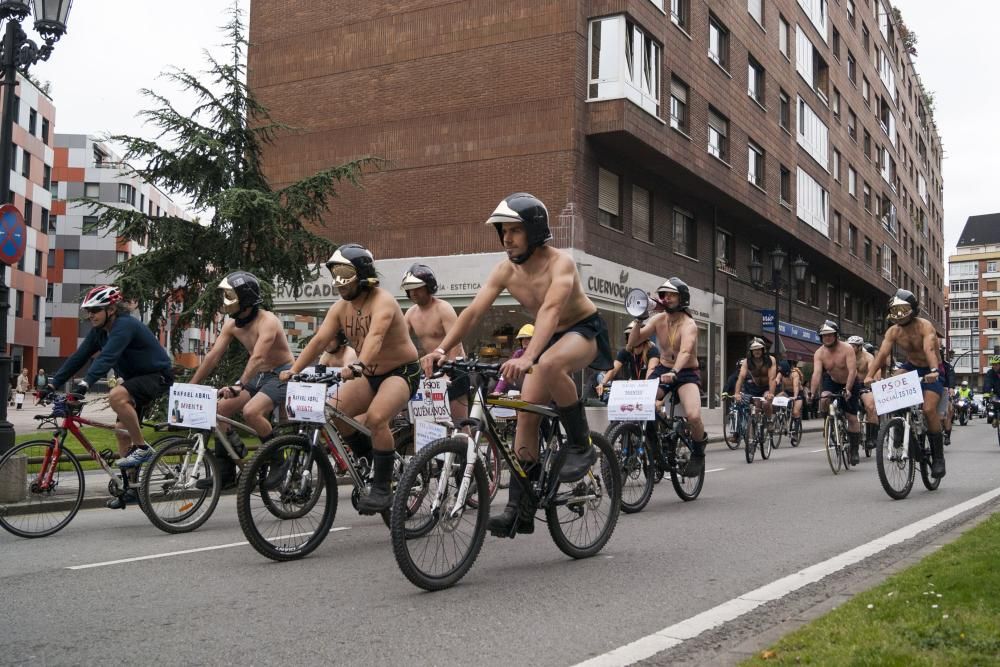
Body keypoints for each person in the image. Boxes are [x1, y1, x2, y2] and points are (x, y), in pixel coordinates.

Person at [420, 192, 613, 537]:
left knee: (551, 364)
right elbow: (474, 312)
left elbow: (552, 312)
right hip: (546, 339)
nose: (506, 239)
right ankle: (519, 510)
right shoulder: (505, 270)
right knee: (526, 413)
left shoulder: (561, 264)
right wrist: (441, 349)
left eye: (514, 230)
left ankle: (581, 444)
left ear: (535, 231)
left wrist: (527, 357)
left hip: (582, 332)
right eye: (503, 231)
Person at [281, 243, 421, 514]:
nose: (338, 282)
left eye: (344, 273)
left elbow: (376, 337)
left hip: (401, 371)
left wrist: (358, 365)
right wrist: (295, 369)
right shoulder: (340, 309)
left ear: (362, 274)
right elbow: (320, 339)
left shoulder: (384, 302)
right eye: (335, 274)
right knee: (333, 411)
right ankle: (369, 457)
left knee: (377, 418)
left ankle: (383, 486)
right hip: (368, 373)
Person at [44, 285, 174, 509]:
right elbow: (78, 357)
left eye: (95, 310)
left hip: (156, 376)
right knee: (122, 434)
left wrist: (85, 384)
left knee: (115, 396)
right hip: (135, 381)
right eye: (89, 311)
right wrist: (52, 384)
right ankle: (131, 489)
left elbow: (107, 357)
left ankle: (142, 449)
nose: (90, 315)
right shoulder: (99, 332)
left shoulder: (125, 326)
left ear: (111, 309)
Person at [189, 271, 295, 488]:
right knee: (219, 411)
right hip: (257, 376)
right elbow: (213, 357)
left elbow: (258, 357)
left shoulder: (268, 321)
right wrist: (191, 385)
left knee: (251, 412)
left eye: (230, 296)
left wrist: (239, 384)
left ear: (245, 300)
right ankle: (226, 474)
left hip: (280, 373)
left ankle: (278, 462)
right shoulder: (232, 324)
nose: (225, 302)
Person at [627, 277, 707, 475]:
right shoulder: (658, 319)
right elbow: (631, 344)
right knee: (642, 403)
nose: (666, 298)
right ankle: (654, 444)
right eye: (664, 295)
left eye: (672, 295)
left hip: (686, 372)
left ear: (683, 298)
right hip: (663, 369)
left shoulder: (689, 325)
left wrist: (674, 372)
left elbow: (686, 352)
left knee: (694, 416)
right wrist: (638, 319)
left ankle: (698, 452)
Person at [865, 289, 946, 478]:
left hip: (932, 368)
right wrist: (869, 375)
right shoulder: (893, 331)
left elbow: (929, 350)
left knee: (928, 409)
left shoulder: (925, 326)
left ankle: (939, 458)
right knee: (895, 377)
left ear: (913, 309)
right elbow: (882, 354)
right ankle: (900, 427)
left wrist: (934, 371)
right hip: (911, 366)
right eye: (895, 310)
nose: (899, 314)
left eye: (903, 309)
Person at [402, 263, 469, 422]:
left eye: (418, 288)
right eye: (410, 289)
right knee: (431, 422)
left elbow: (455, 341)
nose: (414, 293)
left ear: (429, 287)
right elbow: (402, 341)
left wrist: (448, 373)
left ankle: (466, 443)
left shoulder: (443, 308)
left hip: (454, 365)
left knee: (459, 422)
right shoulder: (411, 313)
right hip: (431, 366)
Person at [809, 321, 862, 464]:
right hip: (832, 381)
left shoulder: (847, 349)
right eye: (824, 336)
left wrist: (848, 389)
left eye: (830, 335)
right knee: (824, 398)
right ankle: (829, 420)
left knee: (851, 418)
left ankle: (854, 450)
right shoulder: (819, 353)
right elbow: (817, 373)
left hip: (849, 381)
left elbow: (852, 371)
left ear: (836, 335)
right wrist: (812, 393)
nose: (827, 338)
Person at [596, 322, 660, 397]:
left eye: (634, 336)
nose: (632, 339)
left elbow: (651, 370)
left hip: (650, 388)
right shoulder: (626, 351)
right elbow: (613, 369)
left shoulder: (652, 350)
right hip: (635, 389)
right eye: (629, 336)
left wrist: (645, 389)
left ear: (642, 337)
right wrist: (602, 383)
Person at [735, 337, 776, 427]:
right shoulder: (747, 362)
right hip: (755, 388)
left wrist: (771, 393)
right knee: (755, 409)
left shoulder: (770, 360)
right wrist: (737, 393)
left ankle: (769, 420)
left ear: (763, 350)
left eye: (759, 349)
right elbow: (741, 377)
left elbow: (772, 378)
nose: (756, 351)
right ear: (751, 351)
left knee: (766, 403)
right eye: (754, 349)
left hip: (766, 387)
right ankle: (754, 434)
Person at [848, 335, 879, 451]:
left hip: (864, 385)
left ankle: (872, 437)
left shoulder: (868, 357)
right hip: (850, 385)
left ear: (860, 347)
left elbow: (872, 369)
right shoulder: (846, 356)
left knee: (870, 406)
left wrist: (871, 378)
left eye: (853, 346)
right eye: (849, 346)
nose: (850, 348)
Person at [495, 323, 534, 394]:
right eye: (522, 339)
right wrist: (497, 391)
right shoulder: (518, 353)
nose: (524, 341)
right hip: (521, 388)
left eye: (528, 338)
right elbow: (506, 373)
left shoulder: (540, 354)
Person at [982, 355, 1000, 425]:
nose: (994, 366)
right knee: (993, 403)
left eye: (996, 364)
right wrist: (986, 394)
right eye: (993, 365)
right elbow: (987, 383)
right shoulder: (990, 372)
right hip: (996, 393)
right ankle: (995, 417)